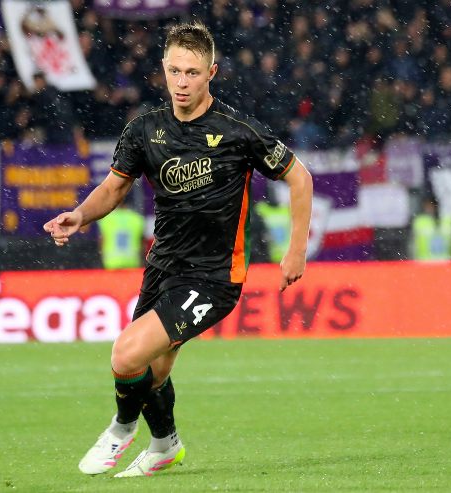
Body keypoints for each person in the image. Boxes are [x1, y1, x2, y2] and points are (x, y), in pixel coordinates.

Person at [43, 22, 313, 478]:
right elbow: (113, 188)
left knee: (126, 355)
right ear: (163, 69)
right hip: (163, 268)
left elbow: (299, 177)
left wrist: (296, 251)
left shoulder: (237, 131)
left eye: (192, 72)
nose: (182, 82)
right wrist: (80, 215)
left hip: (214, 277)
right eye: (174, 71)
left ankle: (120, 429)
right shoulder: (144, 130)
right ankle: (166, 445)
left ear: (212, 72)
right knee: (154, 371)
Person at [97, 200, 146, 270]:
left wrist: (101, 257)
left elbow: (102, 241)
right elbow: (142, 244)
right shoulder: (137, 219)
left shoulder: (106, 219)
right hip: (132, 264)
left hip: (111, 264)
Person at [411, 196, 451, 261]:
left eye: (431, 205)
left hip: (445, 261)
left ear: (436, 206)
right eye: (427, 206)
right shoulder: (419, 221)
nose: (429, 208)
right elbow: (413, 244)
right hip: (424, 261)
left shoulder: (448, 220)